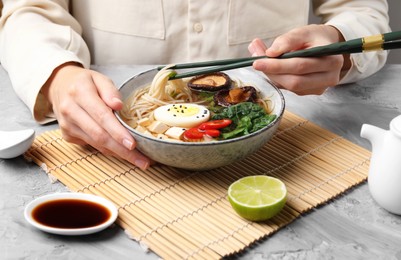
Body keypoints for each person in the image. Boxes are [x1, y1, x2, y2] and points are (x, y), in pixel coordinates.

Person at [0, 0, 391, 170]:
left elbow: (362, 11)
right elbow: (27, 9)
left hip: (291, 123)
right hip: (113, 120)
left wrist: (340, 43)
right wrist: (57, 73)